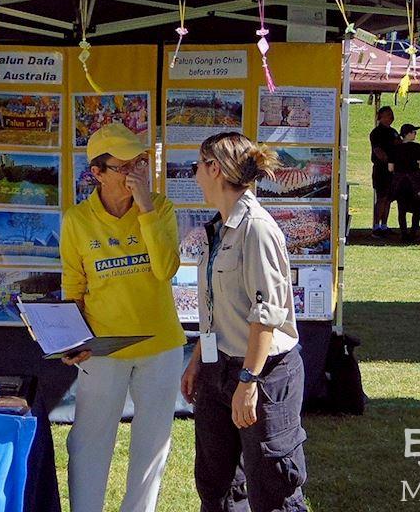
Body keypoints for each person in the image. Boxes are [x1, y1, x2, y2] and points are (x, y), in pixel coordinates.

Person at [60, 123, 185, 512]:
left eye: (140, 163)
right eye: (124, 166)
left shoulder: (160, 208)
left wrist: (146, 208)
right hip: (104, 348)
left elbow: (166, 269)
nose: (135, 174)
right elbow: (73, 286)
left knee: (152, 445)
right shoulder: (77, 219)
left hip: (160, 346)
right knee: (89, 442)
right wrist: (71, 340)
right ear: (97, 172)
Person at [181, 132, 307, 512]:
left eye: (197, 166)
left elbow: (266, 315)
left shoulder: (257, 228)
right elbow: (216, 306)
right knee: (217, 486)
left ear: (215, 169)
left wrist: (248, 382)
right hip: (217, 368)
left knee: (273, 486)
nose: (194, 176)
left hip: (263, 375)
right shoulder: (217, 228)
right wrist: (197, 361)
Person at [389, 123, 420, 242]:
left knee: (401, 209)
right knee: (416, 209)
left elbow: (390, 168)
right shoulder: (417, 147)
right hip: (413, 183)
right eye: (414, 132)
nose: (415, 134)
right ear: (408, 134)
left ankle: (404, 233)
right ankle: (413, 232)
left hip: (400, 183)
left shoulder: (395, 148)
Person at [369, 105, 399, 237]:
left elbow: (399, 145)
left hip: (393, 171)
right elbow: (378, 151)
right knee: (381, 198)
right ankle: (376, 226)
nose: (390, 118)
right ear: (380, 117)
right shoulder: (376, 133)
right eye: (387, 115)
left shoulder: (393, 132)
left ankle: (384, 226)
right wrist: (389, 161)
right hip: (381, 170)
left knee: (388, 199)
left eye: (391, 115)